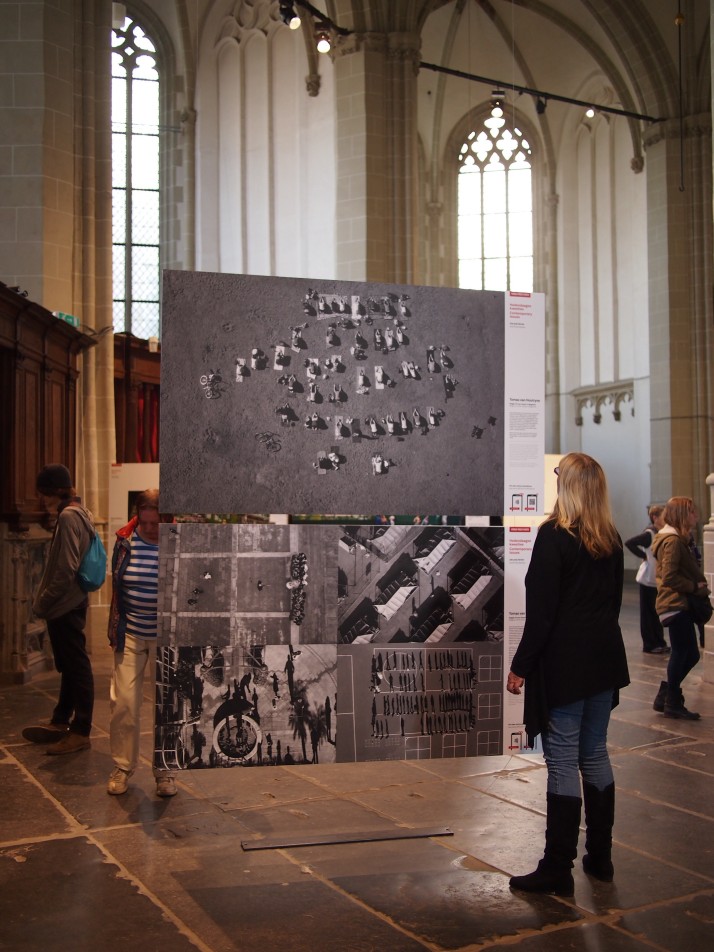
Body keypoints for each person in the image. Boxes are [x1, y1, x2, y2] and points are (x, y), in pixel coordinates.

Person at [506, 453, 630, 896]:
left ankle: (557, 866)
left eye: (559, 476)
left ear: (571, 486)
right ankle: (601, 858)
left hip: (565, 664)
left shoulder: (554, 538)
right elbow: (612, 606)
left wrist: (520, 666)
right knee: (594, 754)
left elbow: (541, 615)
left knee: (561, 759)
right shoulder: (611, 539)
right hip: (604, 660)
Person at [106, 489, 177, 797]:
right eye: (144, 523)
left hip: (167, 637)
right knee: (124, 703)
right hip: (132, 632)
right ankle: (123, 767)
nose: (149, 529)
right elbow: (117, 589)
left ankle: (164, 772)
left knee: (168, 707)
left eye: (155, 523)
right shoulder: (124, 542)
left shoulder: (178, 543)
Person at [22, 464, 97, 754]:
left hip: (65, 603)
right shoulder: (81, 511)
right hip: (75, 600)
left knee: (76, 665)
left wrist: (43, 603)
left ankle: (81, 730)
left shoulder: (67, 517)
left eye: (43, 494)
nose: (42, 500)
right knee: (69, 662)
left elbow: (65, 569)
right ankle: (61, 718)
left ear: (52, 492)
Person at [650, 496, 709, 720]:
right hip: (675, 603)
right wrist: (694, 586)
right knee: (684, 653)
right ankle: (671, 701)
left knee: (690, 654)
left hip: (677, 603)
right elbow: (669, 576)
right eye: (692, 512)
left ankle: (667, 694)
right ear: (682, 515)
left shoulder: (677, 538)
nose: (696, 516)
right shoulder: (673, 541)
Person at [625, 505, 669, 654]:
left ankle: (659, 641)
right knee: (648, 613)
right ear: (655, 518)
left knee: (657, 611)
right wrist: (643, 556)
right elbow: (629, 543)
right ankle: (650, 644)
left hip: (656, 579)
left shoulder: (660, 533)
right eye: (663, 516)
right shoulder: (649, 534)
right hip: (647, 579)